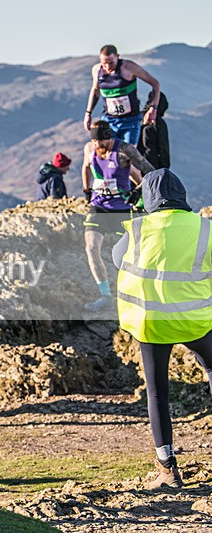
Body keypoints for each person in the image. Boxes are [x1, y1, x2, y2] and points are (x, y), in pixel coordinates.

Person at [114, 169, 212, 489]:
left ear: (149, 199)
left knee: (157, 392)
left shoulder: (139, 229)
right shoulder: (204, 228)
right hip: (196, 320)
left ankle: (167, 469)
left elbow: (117, 260)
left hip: (152, 323)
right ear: (182, 194)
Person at [82, 120, 155, 313]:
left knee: (135, 254)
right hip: (99, 208)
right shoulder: (90, 148)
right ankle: (105, 295)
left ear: (108, 138)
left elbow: (149, 172)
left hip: (122, 209)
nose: (98, 146)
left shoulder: (124, 150)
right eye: (95, 142)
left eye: (101, 142)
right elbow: (86, 167)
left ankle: (141, 293)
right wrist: (86, 189)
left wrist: (138, 193)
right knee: (91, 248)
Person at [83, 44, 161, 145]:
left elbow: (155, 84)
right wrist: (88, 113)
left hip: (130, 121)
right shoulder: (97, 70)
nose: (108, 67)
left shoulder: (128, 67)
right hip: (109, 120)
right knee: (107, 154)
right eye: (104, 63)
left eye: (111, 63)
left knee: (127, 156)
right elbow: (95, 91)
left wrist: (153, 109)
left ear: (118, 57)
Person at [137, 90, 170, 170]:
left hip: (135, 165)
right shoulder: (158, 122)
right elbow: (163, 148)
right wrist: (164, 167)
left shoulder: (136, 118)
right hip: (152, 166)